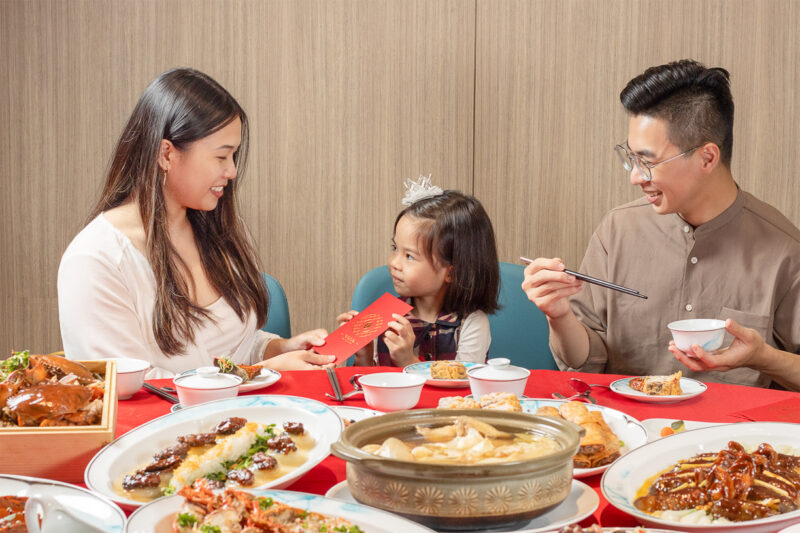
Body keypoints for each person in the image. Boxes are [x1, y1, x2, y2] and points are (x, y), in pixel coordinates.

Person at [522, 59, 800, 391]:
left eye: (647, 162)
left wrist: (762, 357)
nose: (635, 177)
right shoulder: (617, 230)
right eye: (631, 158)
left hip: (731, 439)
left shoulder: (784, 250)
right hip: (623, 431)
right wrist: (559, 315)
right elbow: (587, 361)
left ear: (707, 158)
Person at [58, 68, 335, 378]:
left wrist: (278, 349)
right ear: (166, 154)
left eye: (234, 156)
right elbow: (128, 392)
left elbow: (230, 347)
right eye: (221, 157)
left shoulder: (210, 228)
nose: (231, 171)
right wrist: (259, 372)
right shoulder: (96, 260)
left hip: (242, 422)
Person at [339, 177, 500, 367]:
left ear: (451, 273)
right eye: (395, 248)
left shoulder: (471, 323)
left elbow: (462, 388)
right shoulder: (386, 316)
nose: (394, 263)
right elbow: (366, 386)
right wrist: (363, 356)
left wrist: (409, 361)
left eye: (409, 256)